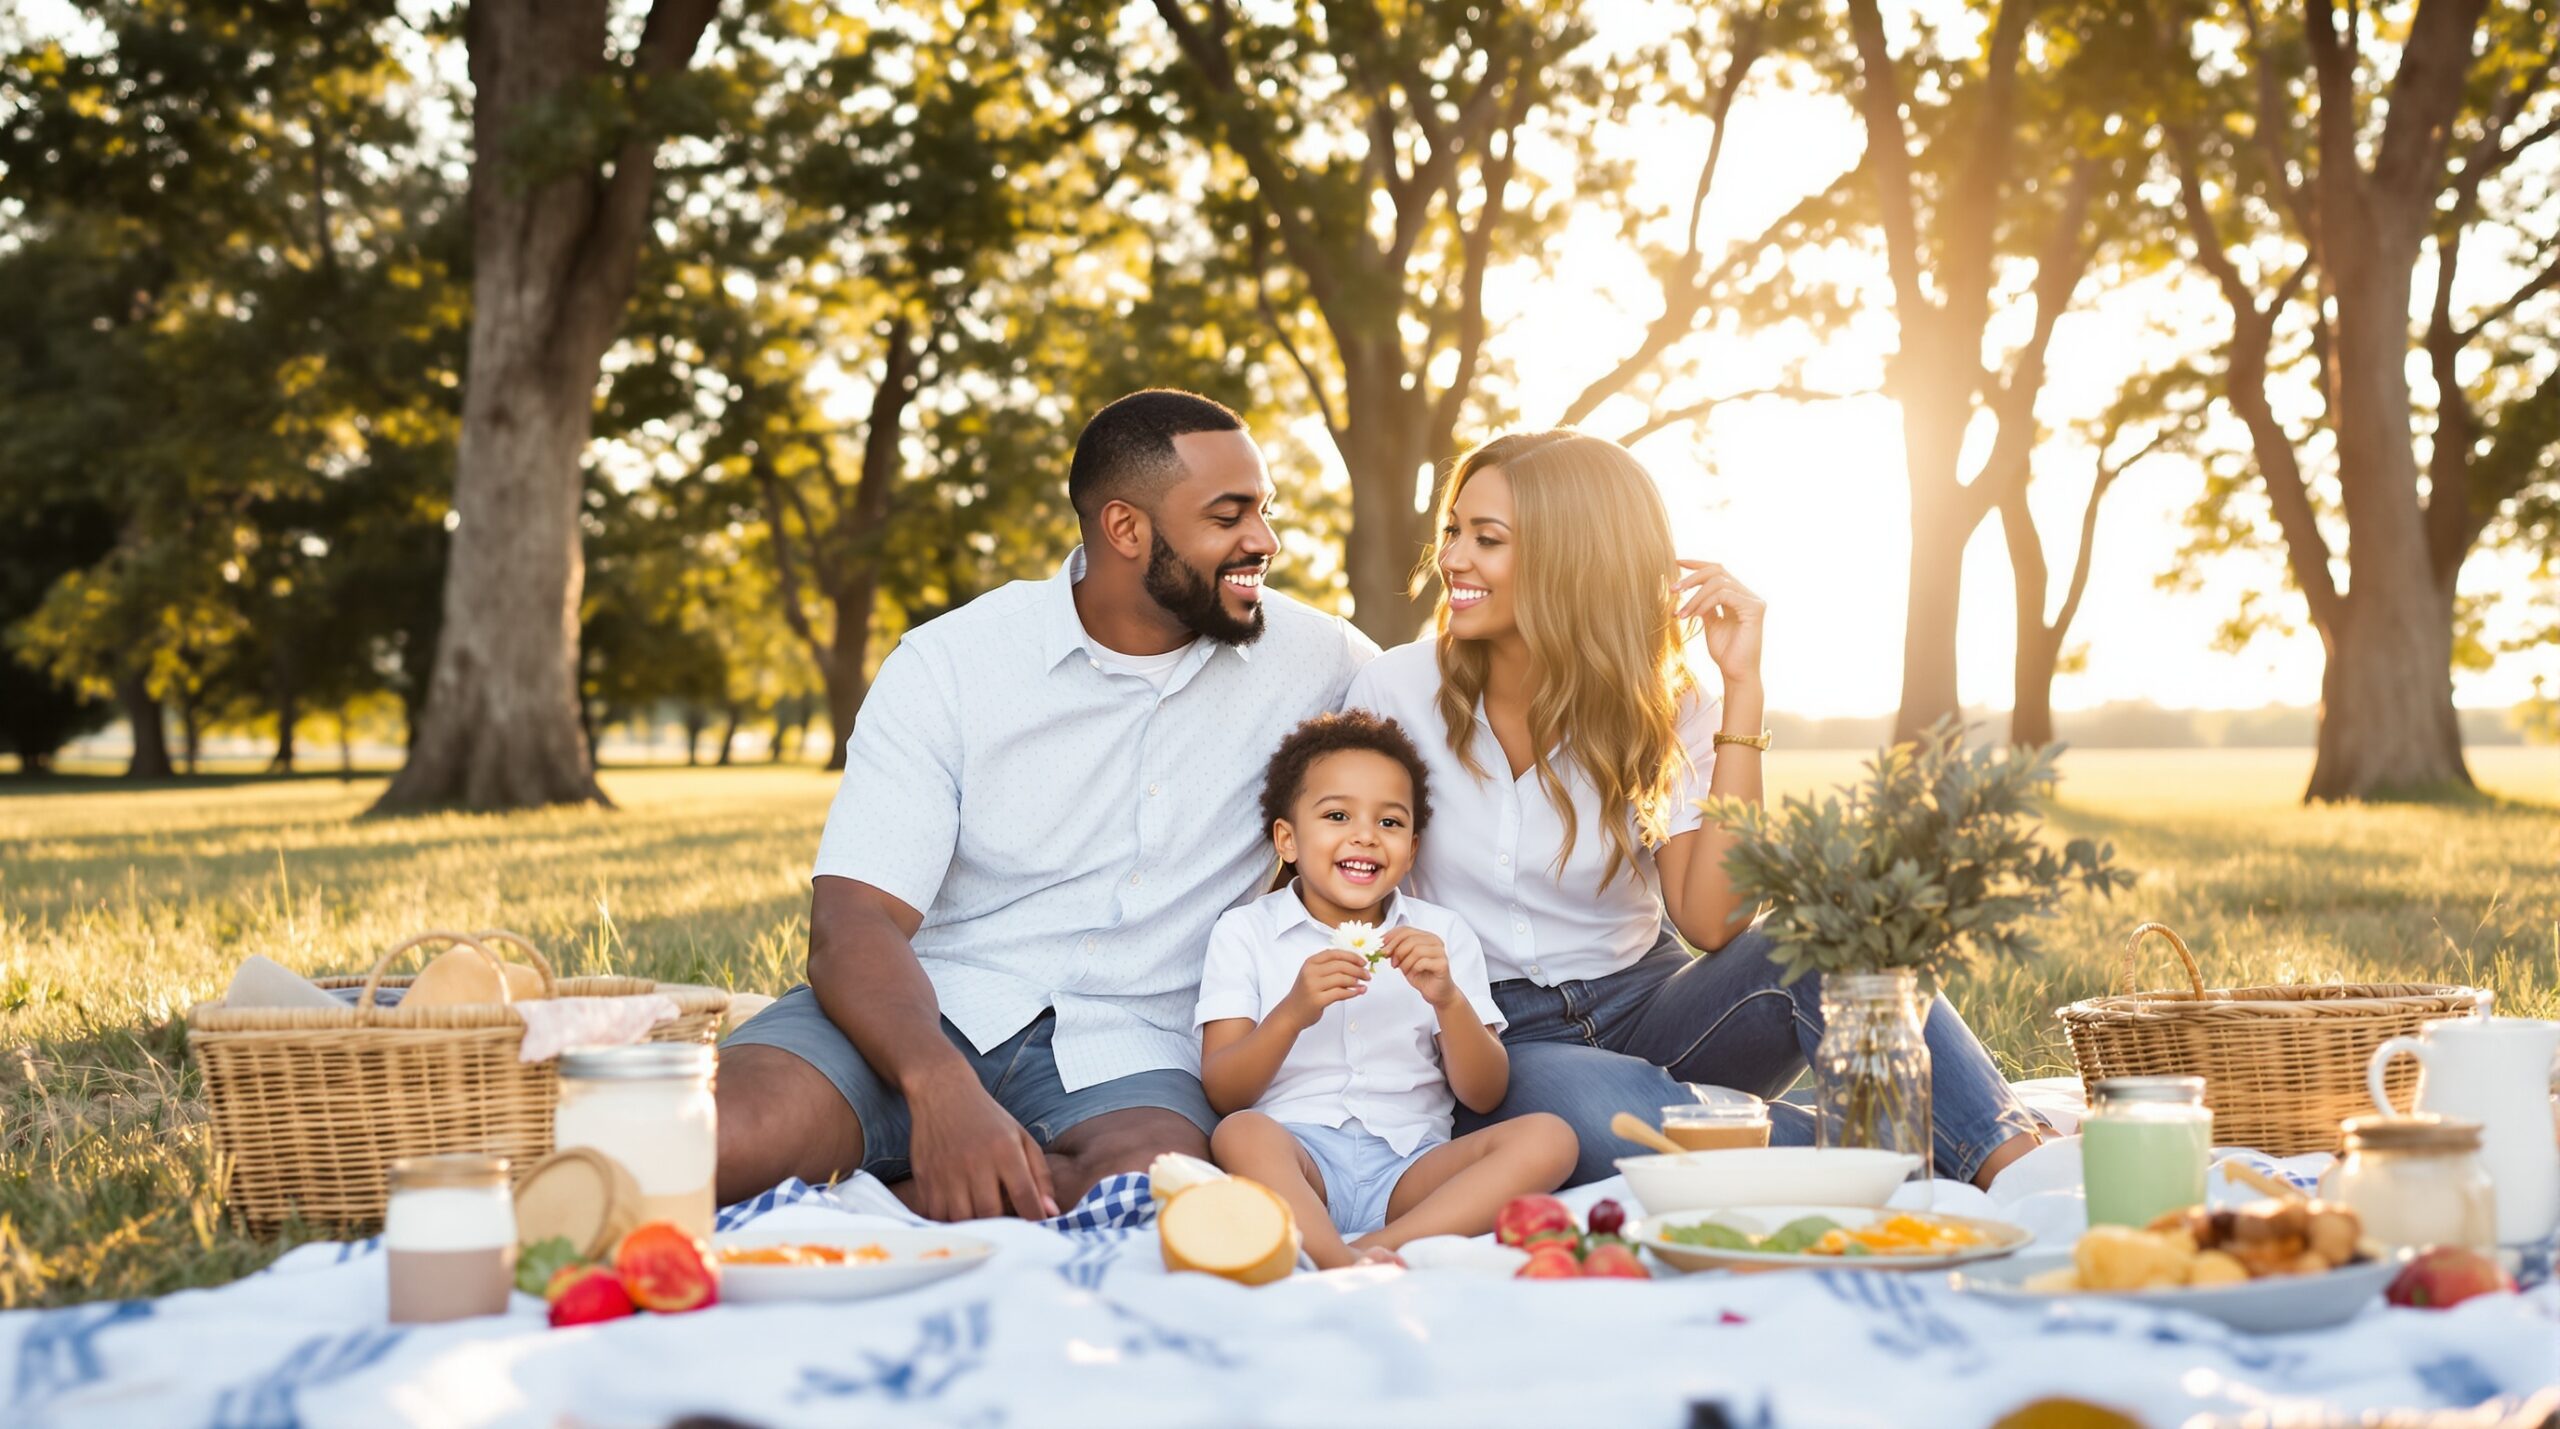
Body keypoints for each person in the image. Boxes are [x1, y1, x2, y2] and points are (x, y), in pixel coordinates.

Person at [714, 389, 1376, 1220]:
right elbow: (853, 921)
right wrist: (941, 1089)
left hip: (1136, 1048)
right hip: (924, 1009)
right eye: (1228, 515)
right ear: (1125, 529)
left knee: (1151, 1188)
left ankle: (877, 1208)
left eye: (1264, 511)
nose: (1263, 542)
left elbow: (1453, 712)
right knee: (725, 1138)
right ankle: (915, 1193)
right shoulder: (951, 663)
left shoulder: (1324, 661)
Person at [1345, 429, 2045, 1190]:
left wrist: (1742, 690)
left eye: (1487, 539)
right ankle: (1908, 1156)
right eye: (1454, 531)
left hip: (1654, 1005)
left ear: (1572, 557)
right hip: (1500, 1036)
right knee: (1595, 1114)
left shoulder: (1667, 703)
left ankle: (2015, 1167)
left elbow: (1712, 919)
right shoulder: (1394, 694)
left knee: (1836, 929)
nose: (1452, 558)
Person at [1196, 712, 1578, 1268]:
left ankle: (1375, 1250)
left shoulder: (1442, 935)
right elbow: (1225, 1092)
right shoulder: (1245, 931)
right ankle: (1339, 1263)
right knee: (1240, 1134)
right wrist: (1293, 1013)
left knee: (1551, 1138)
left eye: (1390, 823)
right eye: (1336, 815)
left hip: (1412, 1170)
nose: (1365, 836)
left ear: (1413, 848)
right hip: (1301, 1162)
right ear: (1287, 839)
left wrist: (1448, 1000)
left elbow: (1484, 1094)